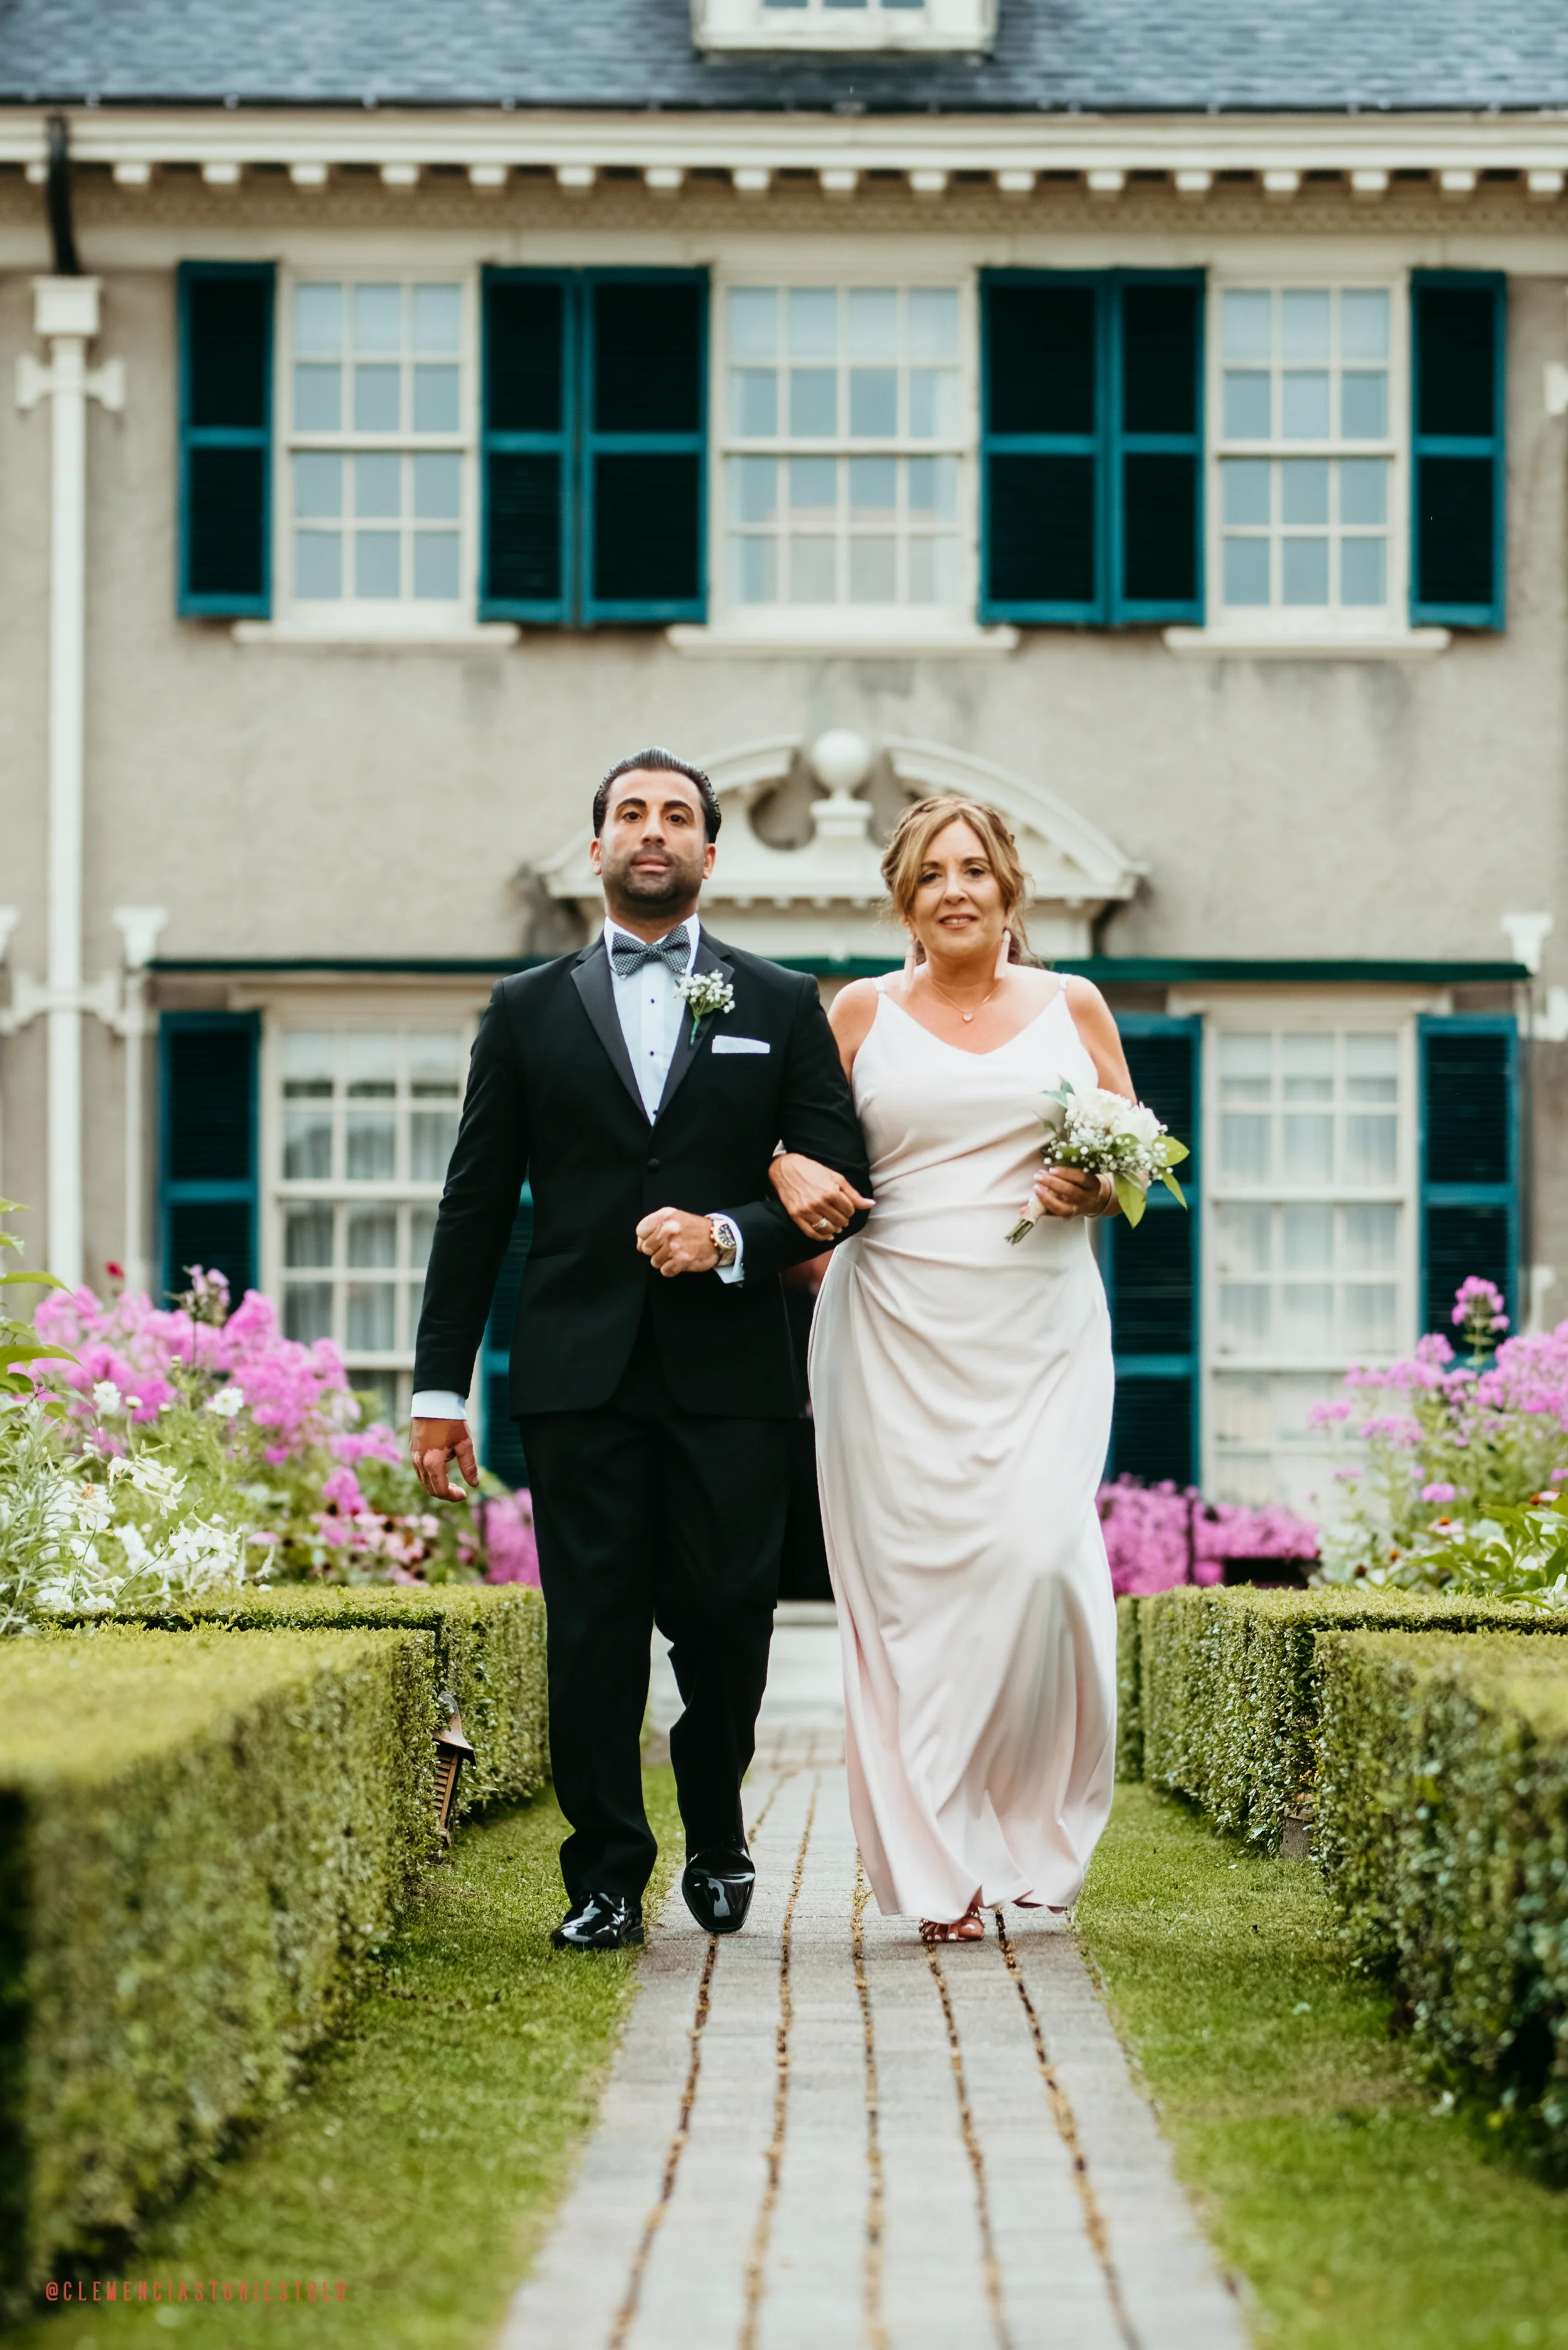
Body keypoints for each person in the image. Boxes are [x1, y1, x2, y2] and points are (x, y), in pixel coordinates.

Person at [409, 749, 872, 1953]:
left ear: (711, 853)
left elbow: (842, 1183)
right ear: (599, 848)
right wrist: (436, 1388)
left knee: (727, 1616)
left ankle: (718, 1832)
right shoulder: (523, 1010)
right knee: (594, 1626)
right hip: (577, 1373)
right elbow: (474, 1206)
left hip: (733, 1368)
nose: (651, 831)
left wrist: (728, 1233)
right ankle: (606, 1873)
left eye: (676, 816)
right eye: (630, 814)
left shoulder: (780, 1001)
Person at [768, 795, 1130, 1943]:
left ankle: (1033, 1825)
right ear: (904, 896)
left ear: (1010, 885)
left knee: (1040, 1569)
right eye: (932, 874)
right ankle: (939, 1872)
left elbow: (1134, 1161)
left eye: (974, 868)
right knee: (911, 1609)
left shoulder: (1071, 1006)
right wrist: (786, 1184)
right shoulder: (864, 1010)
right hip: (892, 1334)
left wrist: (1097, 1182)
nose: (956, 889)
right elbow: (790, 1148)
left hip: (1039, 1330)